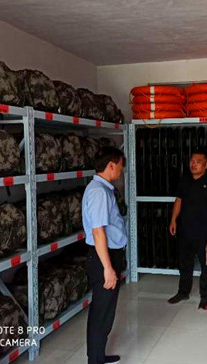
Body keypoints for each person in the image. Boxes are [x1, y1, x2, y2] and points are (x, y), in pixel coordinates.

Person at [83, 147, 126, 364]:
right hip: (103, 258)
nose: (121, 170)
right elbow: (98, 231)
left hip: (108, 255)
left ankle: (99, 355)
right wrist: (108, 268)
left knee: (106, 311)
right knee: (101, 312)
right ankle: (95, 360)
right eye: (120, 165)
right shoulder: (98, 192)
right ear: (111, 165)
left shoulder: (103, 189)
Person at [168, 150, 207, 310]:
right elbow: (178, 200)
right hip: (185, 230)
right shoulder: (185, 180)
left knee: (205, 265)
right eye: (192, 161)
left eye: (198, 161)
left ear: (206, 165)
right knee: (184, 263)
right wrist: (173, 220)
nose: (193, 164)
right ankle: (183, 292)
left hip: (204, 233)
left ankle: (205, 298)